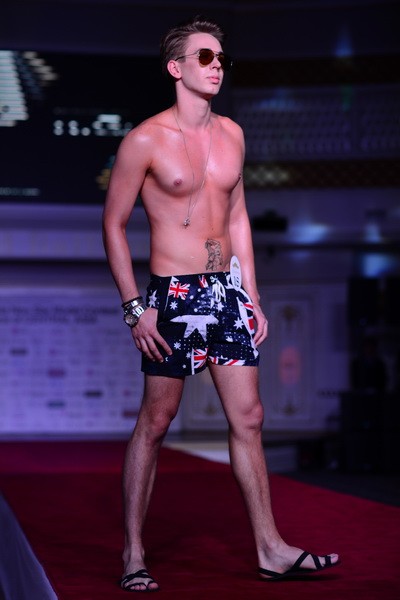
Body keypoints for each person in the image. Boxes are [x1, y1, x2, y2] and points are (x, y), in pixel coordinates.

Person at [102, 15, 339, 592]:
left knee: (250, 417)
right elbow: (113, 225)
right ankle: (133, 552)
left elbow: (237, 217)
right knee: (156, 421)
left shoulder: (233, 132)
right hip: (172, 296)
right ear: (175, 67)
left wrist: (251, 293)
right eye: (204, 57)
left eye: (221, 59)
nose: (216, 67)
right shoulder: (145, 139)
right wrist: (135, 307)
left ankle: (271, 549)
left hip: (224, 292)